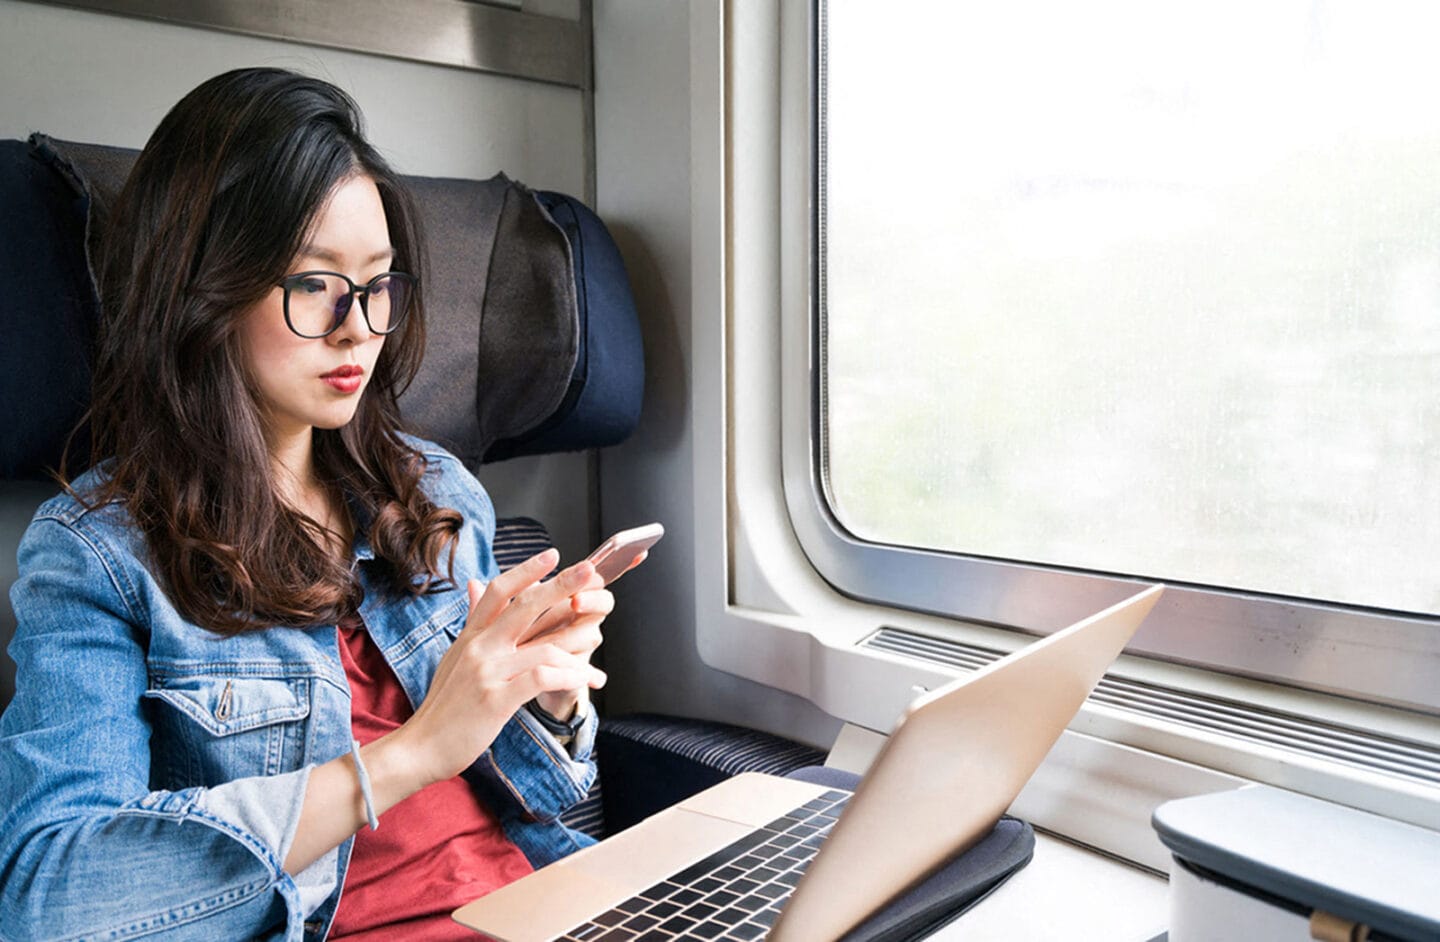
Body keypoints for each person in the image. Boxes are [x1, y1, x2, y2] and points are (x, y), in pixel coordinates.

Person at [0, 68, 626, 940]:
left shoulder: (435, 488)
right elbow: (51, 901)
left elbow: (544, 796)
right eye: (312, 283)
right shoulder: (95, 556)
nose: (359, 328)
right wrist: (406, 757)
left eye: (377, 284)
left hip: (544, 899)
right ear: (200, 290)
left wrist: (546, 700)